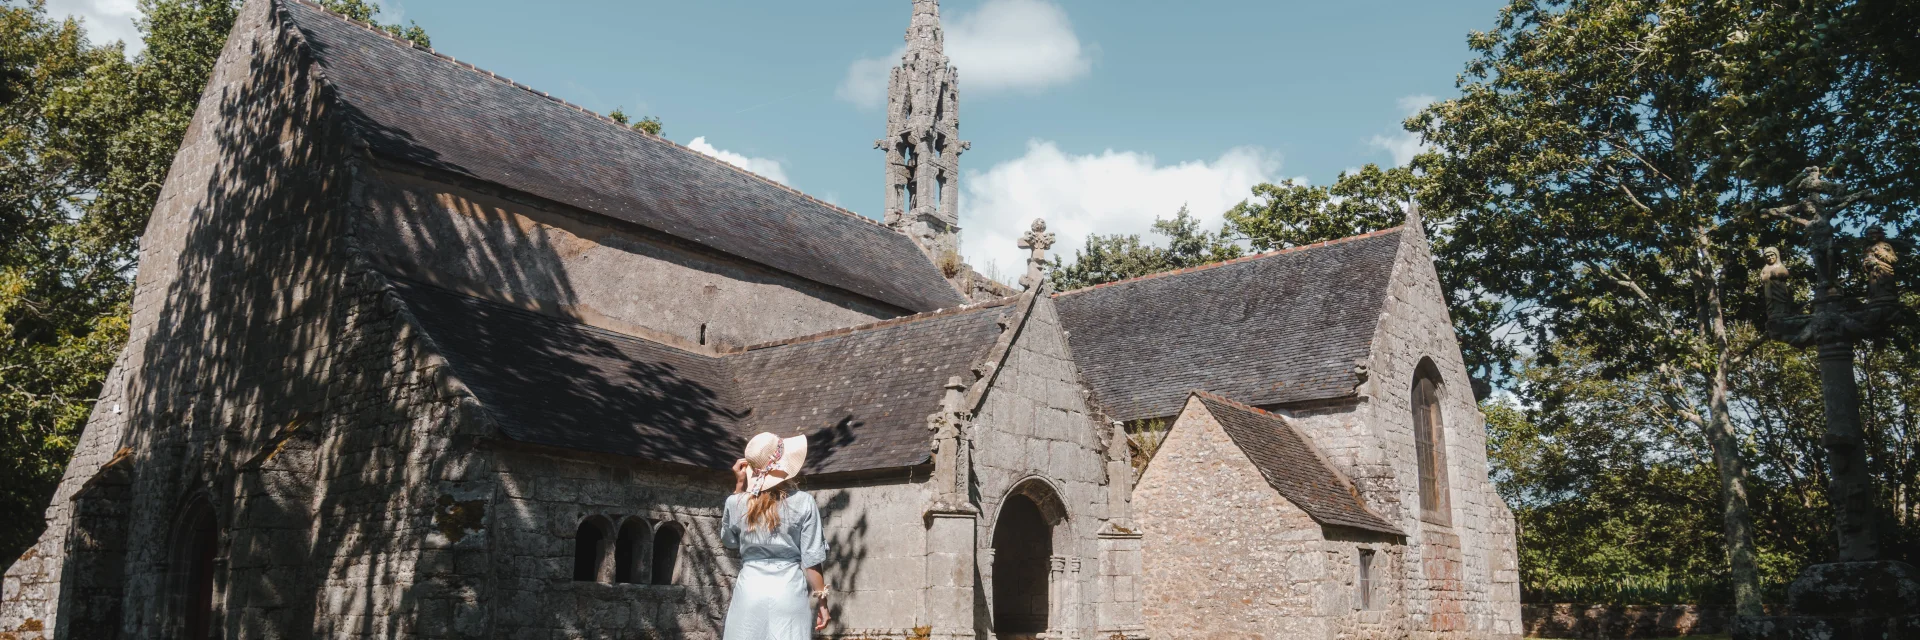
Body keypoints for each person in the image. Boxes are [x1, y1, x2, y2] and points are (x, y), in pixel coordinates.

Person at [721, 432, 830, 638]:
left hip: (750, 591)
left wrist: (739, 487)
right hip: (788, 590)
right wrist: (822, 602)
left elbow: (729, 540)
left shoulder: (735, 502)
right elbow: (812, 558)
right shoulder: (804, 502)